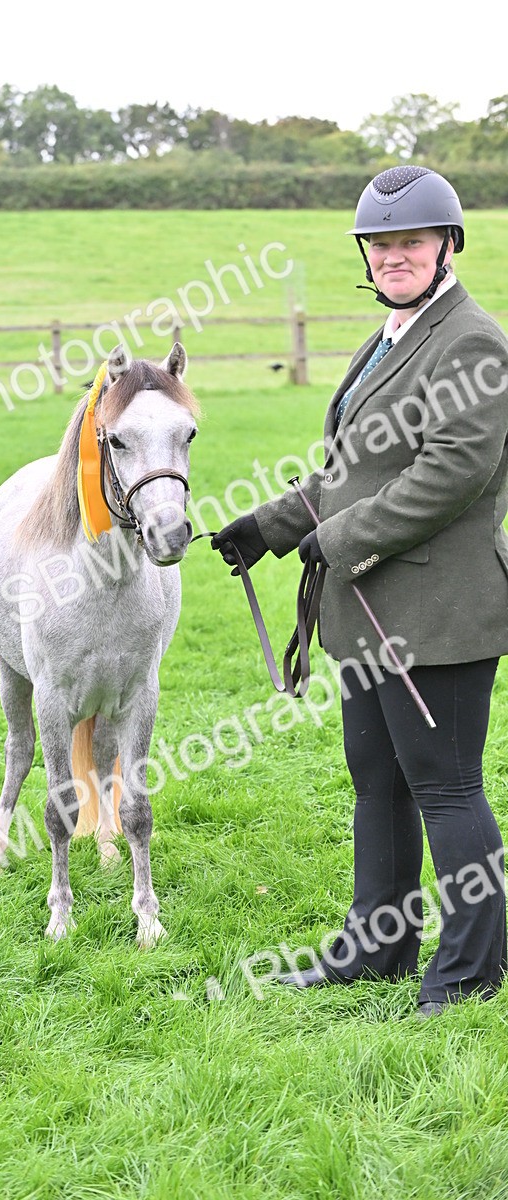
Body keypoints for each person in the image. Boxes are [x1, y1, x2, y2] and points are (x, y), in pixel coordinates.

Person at [212, 166, 508, 1019]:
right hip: (368, 612)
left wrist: (335, 538)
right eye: (381, 245)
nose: (394, 256)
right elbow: (354, 469)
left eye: (410, 241)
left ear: (447, 245)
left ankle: (471, 972)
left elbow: (450, 473)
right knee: (377, 782)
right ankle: (376, 948)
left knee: (447, 787)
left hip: (439, 613)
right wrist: (269, 526)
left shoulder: (471, 341)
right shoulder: (391, 336)